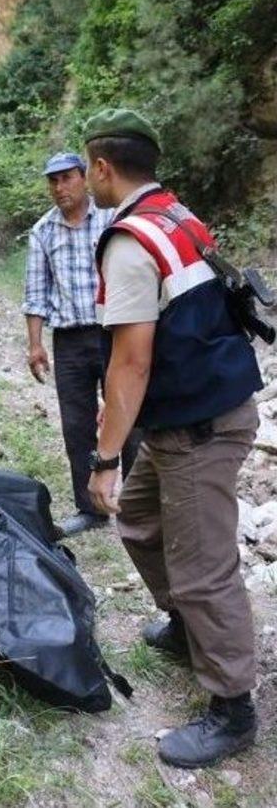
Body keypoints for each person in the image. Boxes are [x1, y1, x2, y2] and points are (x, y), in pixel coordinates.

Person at [84, 108, 263, 768]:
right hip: (195, 412)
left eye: (88, 167)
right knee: (138, 520)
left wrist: (105, 458)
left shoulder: (131, 240)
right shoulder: (176, 215)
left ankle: (232, 706)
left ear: (103, 167)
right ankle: (190, 625)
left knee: (203, 567)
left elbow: (129, 364)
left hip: (198, 426)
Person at [23, 151, 140, 536]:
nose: (60, 188)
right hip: (69, 340)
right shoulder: (43, 231)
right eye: (53, 181)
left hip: (114, 332)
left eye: (67, 178)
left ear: (84, 178)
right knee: (76, 425)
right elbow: (36, 292)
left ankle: (137, 506)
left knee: (128, 417)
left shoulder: (113, 218)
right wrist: (35, 344)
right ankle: (89, 508)